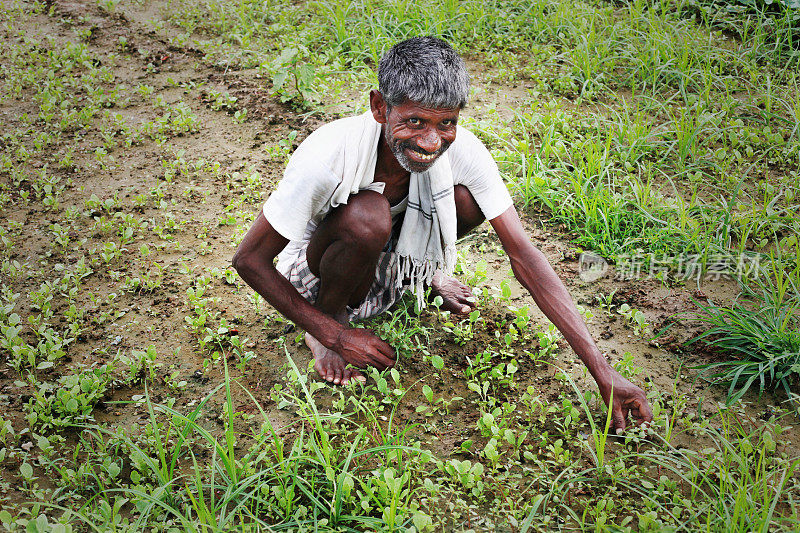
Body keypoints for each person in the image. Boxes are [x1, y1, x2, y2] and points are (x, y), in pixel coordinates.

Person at [233, 37, 653, 431]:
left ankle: (418, 275)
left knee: (466, 200)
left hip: (386, 251)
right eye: (414, 121)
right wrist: (334, 334)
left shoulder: (463, 149)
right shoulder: (329, 156)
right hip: (319, 266)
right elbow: (249, 259)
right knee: (368, 215)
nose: (431, 141)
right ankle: (328, 317)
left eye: (446, 123)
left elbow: (524, 255)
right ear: (380, 107)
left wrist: (602, 369)